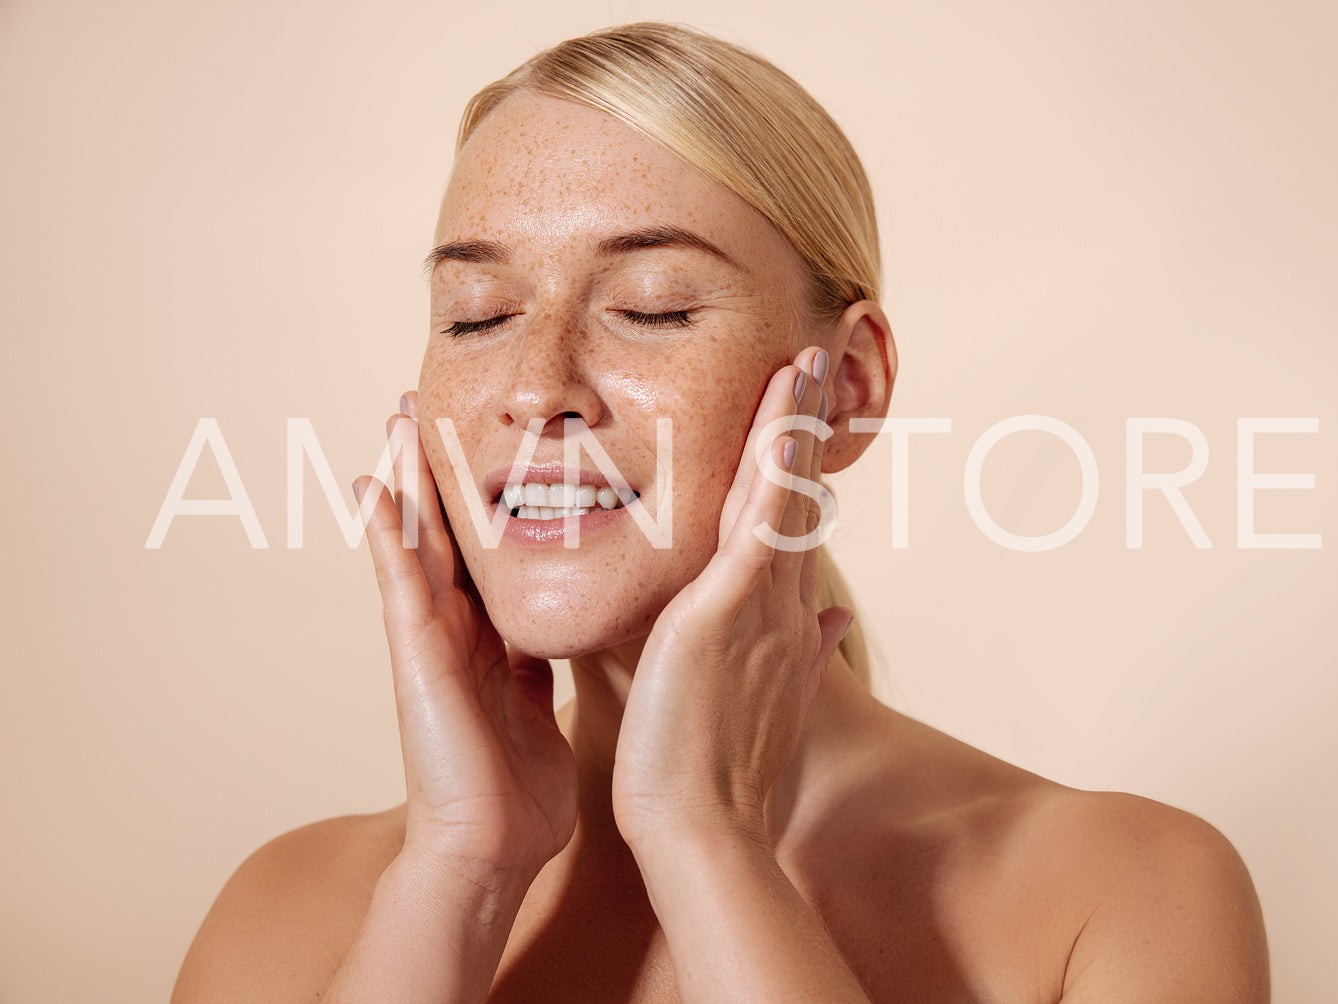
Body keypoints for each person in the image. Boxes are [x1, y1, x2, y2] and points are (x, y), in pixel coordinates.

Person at [171, 22, 1269, 1003]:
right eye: (479, 313)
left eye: (652, 306)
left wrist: (708, 846)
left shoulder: (1118, 894)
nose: (534, 381)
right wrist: (459, 866)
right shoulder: (291, 916)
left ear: (845, 385)